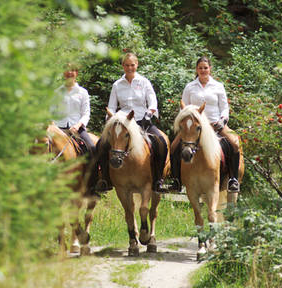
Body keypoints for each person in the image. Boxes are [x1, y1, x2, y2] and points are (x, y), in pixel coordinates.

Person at [92, 52, 168, 193]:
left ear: (137, 65)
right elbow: (112, 107)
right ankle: (105, 179)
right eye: (126, 65)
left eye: (132, 65)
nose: (129, 68)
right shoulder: (117, 85)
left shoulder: (144, 82)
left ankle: (158, 179)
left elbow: (152, 102)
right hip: (122, 123)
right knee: (100, 144)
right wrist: (112, 120)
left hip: (141, 120)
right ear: (122, 66)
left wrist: (149, 114)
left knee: (161, 142)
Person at [171, 55, 240, 193]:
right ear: (196, 69)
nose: (203, 70)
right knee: (173, 147)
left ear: (210, 69)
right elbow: (182, 108)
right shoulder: (190, 87)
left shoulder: (218, 86)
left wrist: (222, 120)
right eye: (200, 68)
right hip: (193, 127)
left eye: (205, 68)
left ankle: (233, 179)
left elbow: (224, 107)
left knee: (234, 143)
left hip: (215, 124)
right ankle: (176, 180)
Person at [50, 64, 95, 155]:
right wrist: (53, 126)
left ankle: (93, 169)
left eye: (72, 70)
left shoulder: (83, 92)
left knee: (92, 148)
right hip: (59, 128)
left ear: (76, 73)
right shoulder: (57, 93)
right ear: (63, 73)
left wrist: (78, 125)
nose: (70, 72)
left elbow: (86, 113)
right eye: (67, 70)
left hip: (77, 129)